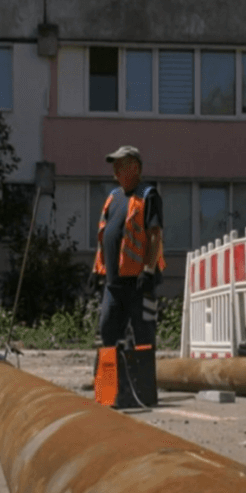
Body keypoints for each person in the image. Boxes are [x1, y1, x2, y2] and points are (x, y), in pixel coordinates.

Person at [91, 145, 166, 348]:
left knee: (143, 337)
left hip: (140, 283)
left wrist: (149, 271)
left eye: (121, 164)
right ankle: (112, 380)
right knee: (108, 334)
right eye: (114, 165)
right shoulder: (113, 197)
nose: (115, 169)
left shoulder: (148, 195)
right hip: (114, 284)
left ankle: (143, 379)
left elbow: (154, 234)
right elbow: (105, 236)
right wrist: (97, 270)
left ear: (136, 168)